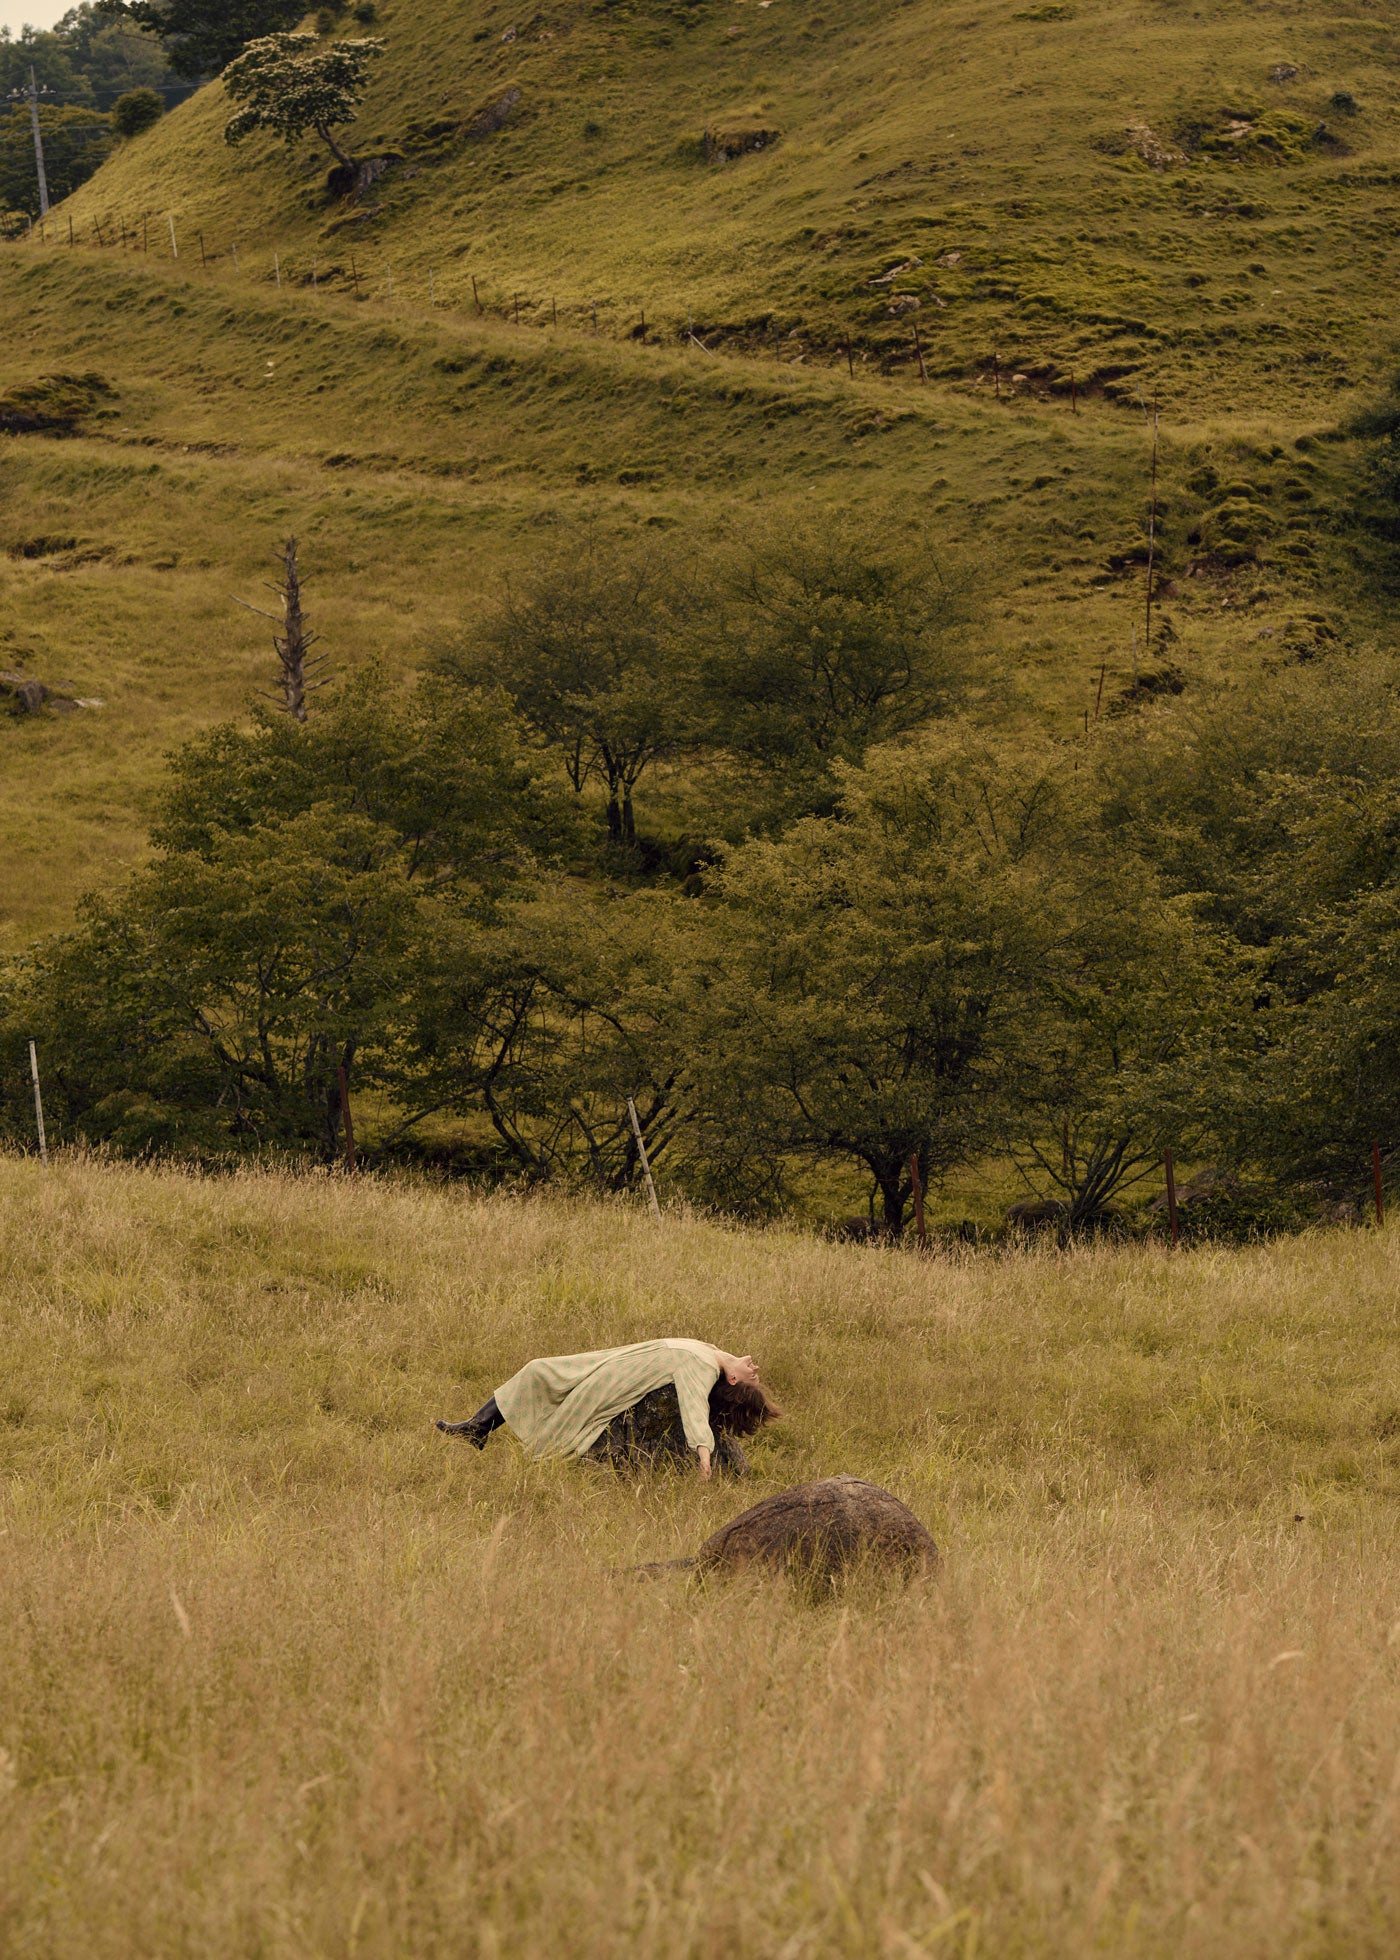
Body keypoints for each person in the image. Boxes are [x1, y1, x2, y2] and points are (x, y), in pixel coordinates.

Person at [435, 1339, 780, 1479]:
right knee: (538, 1368)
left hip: (610, 1381)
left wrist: (704, 1455)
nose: (755, 1369)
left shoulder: (702, 1367)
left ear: (732, 1379)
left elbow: (693, 1407)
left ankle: (478, 1429)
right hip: (607, 1360)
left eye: (753, 1378)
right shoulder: (709, 1351)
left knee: (541, 1373)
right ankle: (478, 1428)